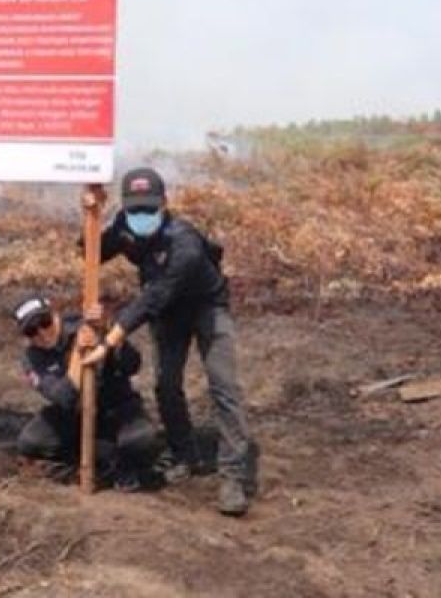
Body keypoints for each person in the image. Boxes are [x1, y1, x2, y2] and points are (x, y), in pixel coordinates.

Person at [80, 167, 259, 516]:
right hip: (168, 315)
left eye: (149, 209)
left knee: (224, 386)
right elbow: (90, 253)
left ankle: (233, 477)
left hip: (207, 307)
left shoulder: (185, 242)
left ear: (164, 203)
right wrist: (92, 211)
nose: (142, 217)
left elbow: (153, 297)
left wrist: (110, 341)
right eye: (135, 210)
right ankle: (183, 453)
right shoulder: (125, 227)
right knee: (165, 384)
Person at [14, 295, 157, 491]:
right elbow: (63, 397)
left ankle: (120, 464)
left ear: (55, 314)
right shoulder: (32, 358)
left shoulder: (89, 326)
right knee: (31, 442)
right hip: (74, 413)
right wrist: (78, 354)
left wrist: (109, 334)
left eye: (44, 323)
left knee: (142, 439)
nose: (42, 334)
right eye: (31, 331)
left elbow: (132, 365)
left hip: (117, 407)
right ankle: (89, 456)